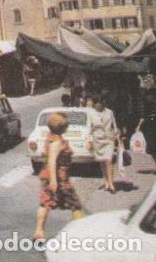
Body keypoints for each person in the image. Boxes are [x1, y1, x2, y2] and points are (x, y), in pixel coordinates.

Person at [33, 113, 85, 241]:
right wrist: (54, 181)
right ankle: (82, 232)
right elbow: (52, 160)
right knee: (75, 204)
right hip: (59, 178)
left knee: (45, 203)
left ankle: (39, 232)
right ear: (63, 127)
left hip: (49, 176)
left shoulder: (51, 138)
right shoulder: (57, 141)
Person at [90, 97, 119, 193]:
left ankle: (111, 184)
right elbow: (89, 128)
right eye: (97, 103)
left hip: (109, 139)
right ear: (94, 104)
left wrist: (117, 134)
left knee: (109, 160)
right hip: (98, 140)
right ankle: (106, 182)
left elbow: (114, 125)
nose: (99, 104)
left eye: (100, 102)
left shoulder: (109, 112)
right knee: (102, 161)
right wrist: (89, 140)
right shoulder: (91, 113)